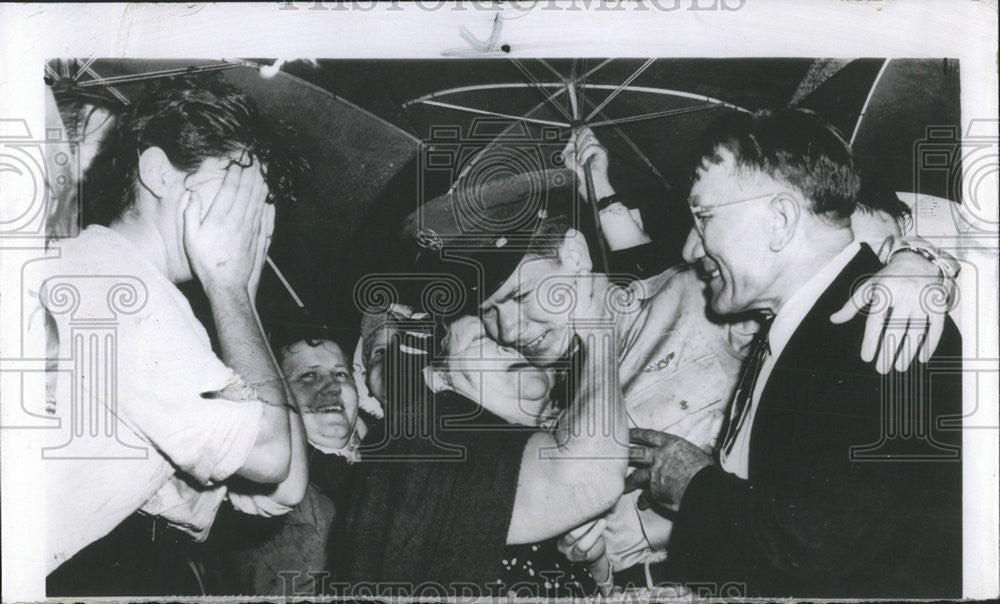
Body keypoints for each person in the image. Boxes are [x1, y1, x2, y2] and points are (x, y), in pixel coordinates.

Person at [552, 125, 960, 591]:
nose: (692, 246)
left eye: (704, 216)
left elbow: (815, 551)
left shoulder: (882, 327)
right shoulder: (800, 328)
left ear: (780, 220)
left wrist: (694, 486)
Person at [41, 76, 308, 594]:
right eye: (237, 185)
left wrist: (242, 301)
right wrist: (231, 291)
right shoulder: (122, 292)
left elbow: (287, 484)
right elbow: (271, 455)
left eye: (261, 199)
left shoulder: (124, 282)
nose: (251, 216)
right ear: (160, 173)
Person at [208, 334, 367, 597]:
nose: (332, 387)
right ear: (278, 396)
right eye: (309, 376)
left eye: (341, 374)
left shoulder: (393, 462)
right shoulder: (260, 490)